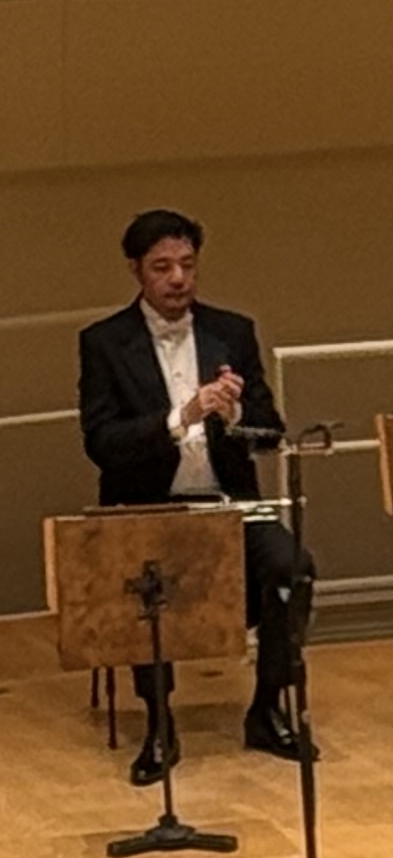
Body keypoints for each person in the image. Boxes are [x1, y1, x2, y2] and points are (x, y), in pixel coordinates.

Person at [74, 207, 314, 785]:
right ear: (136, 271)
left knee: (293, 569)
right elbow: (101, 443)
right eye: (162, 267)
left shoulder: (232, 331)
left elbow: (271, 432)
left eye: (186, 265)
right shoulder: (104, 343)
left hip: (227, 504)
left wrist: (236, 416)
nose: (178, 278)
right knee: (145, 587)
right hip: (148, 509)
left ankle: (266, 709)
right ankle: (159, 723)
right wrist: (179, 418)